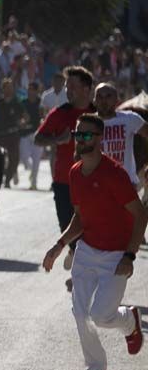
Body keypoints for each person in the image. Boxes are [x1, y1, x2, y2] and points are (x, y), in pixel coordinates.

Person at [41, 114, 146, 370]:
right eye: (78, 134)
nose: (80, 140)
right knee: (80, 312)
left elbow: (140, 214)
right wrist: (60, 245)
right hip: (87, 251)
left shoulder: (115, 174)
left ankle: (129, 320)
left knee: (101, 315)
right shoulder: (75, 172)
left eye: (87, 135)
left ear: (99, 139)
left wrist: (130, 256)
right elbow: (80, 218)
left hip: (115, 256)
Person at [35, 65, 96, 269]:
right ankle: (74, 250)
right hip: (64, 180)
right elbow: (38, 139)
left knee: (90, 228)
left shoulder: (98, 114)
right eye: (67, 87)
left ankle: (81, 268)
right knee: (66, 226)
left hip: (93, 180)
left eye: (73, 87)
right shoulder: (59, 113)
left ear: (87, 89)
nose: (68, 91)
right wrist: (57, 139)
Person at [94, 82, 148, 189]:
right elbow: (79, 154)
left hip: (126, 184)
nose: (103, 101)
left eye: (108, 96)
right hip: (99, 185)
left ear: (116, 100)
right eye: (99, 96)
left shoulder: (130, 119)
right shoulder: (88, 123)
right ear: (94, 100)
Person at [0, 78, 26, 188]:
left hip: (13, 134)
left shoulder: (17, 102)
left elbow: (24, 116)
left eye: (11, 87)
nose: (9, 90)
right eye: (7, 87)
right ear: (3, 89)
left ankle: (8, 180)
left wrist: (22, 122)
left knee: (14, 159)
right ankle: (0, 176)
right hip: (0, 135)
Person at [20, 80, 44, 189]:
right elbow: (19, 116)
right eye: (29, 89)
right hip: (25, 134)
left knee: (36, 160)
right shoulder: (23, 103)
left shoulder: (41, 102)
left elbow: (45, 115)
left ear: (37, 91)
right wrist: (22, 121)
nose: (30, 92)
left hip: (38, 134)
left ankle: (34, 182)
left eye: (32, 90)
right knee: (24, 157)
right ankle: (30, 171)